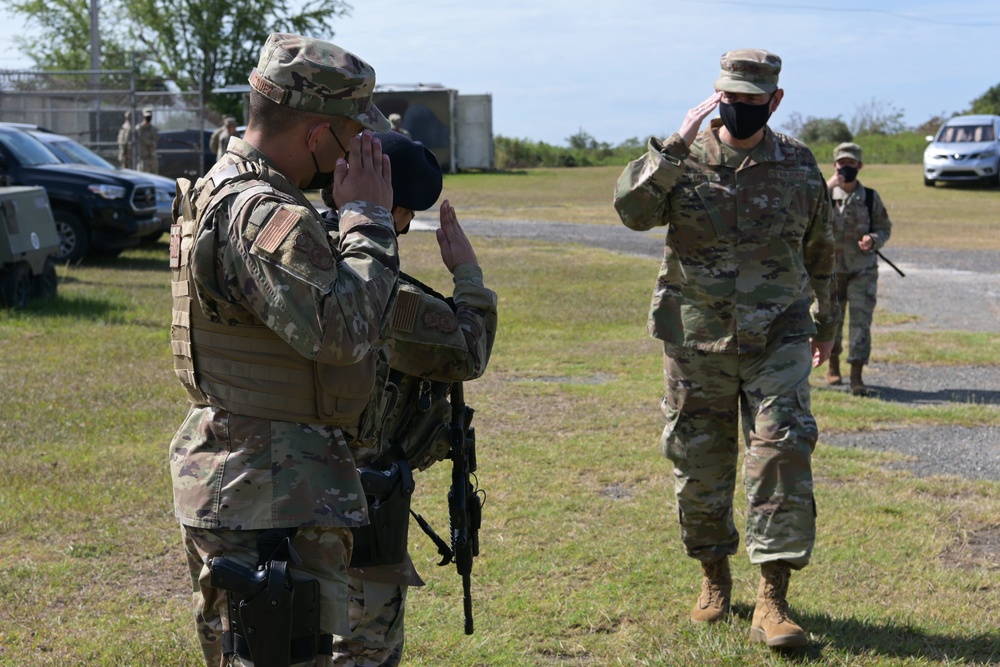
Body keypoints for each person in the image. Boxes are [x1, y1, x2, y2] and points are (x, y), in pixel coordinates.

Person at [169, 32, 397, 667]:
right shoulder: (266, 214)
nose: (360, 154)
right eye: (353, 138)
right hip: (269, 494)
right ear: (318, 135)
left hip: (258, 480)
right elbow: (344, 332)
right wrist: (368, 219)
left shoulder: (227, 189)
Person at [613, 48, 837, 649]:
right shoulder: (681, 160)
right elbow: (631, 211)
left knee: (782, 452)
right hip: (695, 336)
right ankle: (714, 578)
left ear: (774, 100)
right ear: (715, 96)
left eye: (749, 99)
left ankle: (773, 597)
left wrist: (828, 322)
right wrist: (672, 145)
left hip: (779, 336)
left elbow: (821, 249)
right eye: (728, 97)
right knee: (699, 462)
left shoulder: (798, 165)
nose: (737, 108)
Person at [318, 131, 497, 666]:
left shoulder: (287, 252)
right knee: (362, 650)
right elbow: (469, 351)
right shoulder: (389, 298)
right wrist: (467, 273)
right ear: (394, 212)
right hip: (357, 504)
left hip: (271, 487)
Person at [825, 142, 892, 397]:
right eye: (842, 163)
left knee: (860, 323)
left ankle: (856, 376)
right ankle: (833, 366)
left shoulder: (870, 197)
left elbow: (885, 227)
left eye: (851, 163)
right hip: (831, 270)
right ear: (835, 165)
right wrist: (828, 187)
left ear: (859, 166)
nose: (846, 168)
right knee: (831, 320)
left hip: (862, 270)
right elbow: (804, 214)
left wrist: (874, 240)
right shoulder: (825, 194)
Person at [136, 107, 159, 174]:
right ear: (143, 116)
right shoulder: (139, 128)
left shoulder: (153, 129)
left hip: (152, 157)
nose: (148, 118)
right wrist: (149, 143)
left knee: (155, 177)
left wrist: (151, 143)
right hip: (143, 158)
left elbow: (155, 140)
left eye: (149, 116)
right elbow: (142, 139)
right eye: (147, 116)